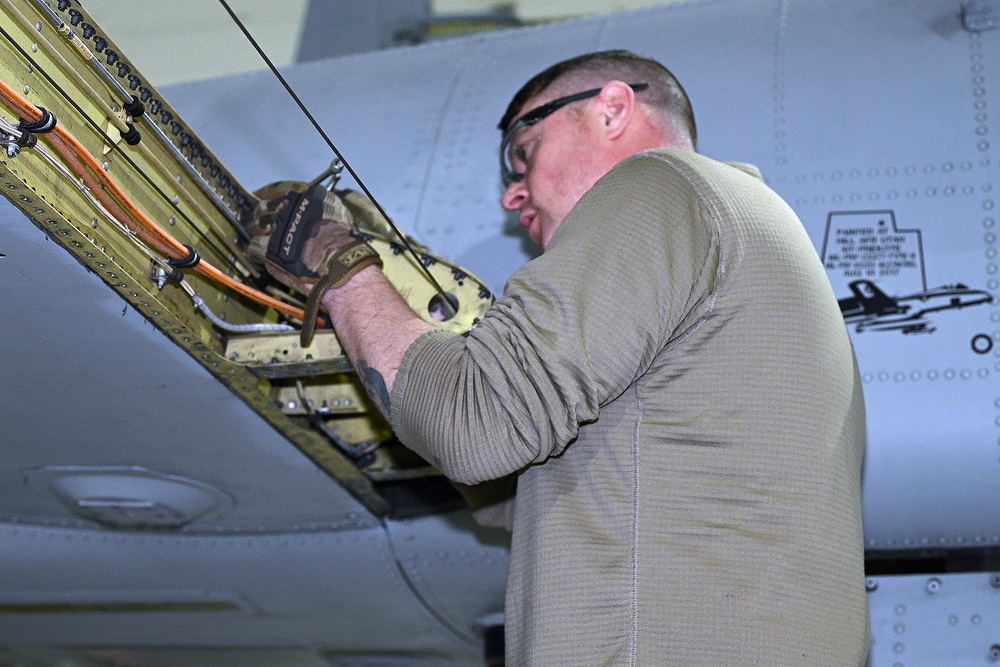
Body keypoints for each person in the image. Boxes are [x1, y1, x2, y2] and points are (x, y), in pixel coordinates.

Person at [248, 50, 869, 666]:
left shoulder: (659, 187)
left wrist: (341, 268)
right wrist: (413, 335)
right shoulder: (752, 232)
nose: (512, 196)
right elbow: (528, 488)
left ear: (611, 109)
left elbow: (476, 424)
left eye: (524, 151)